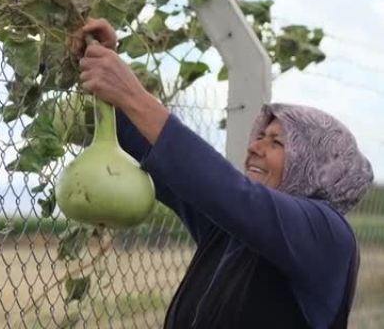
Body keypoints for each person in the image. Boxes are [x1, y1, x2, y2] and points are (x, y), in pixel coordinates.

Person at [72, 18, 374, 329]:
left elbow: (230, 193)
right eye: (260, 136)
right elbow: (177, 168)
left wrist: (133, 94)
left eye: (277, 142)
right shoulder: (232, 231)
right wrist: (97, 63)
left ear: (319, 165)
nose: (256, 147)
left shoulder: (327, 235)